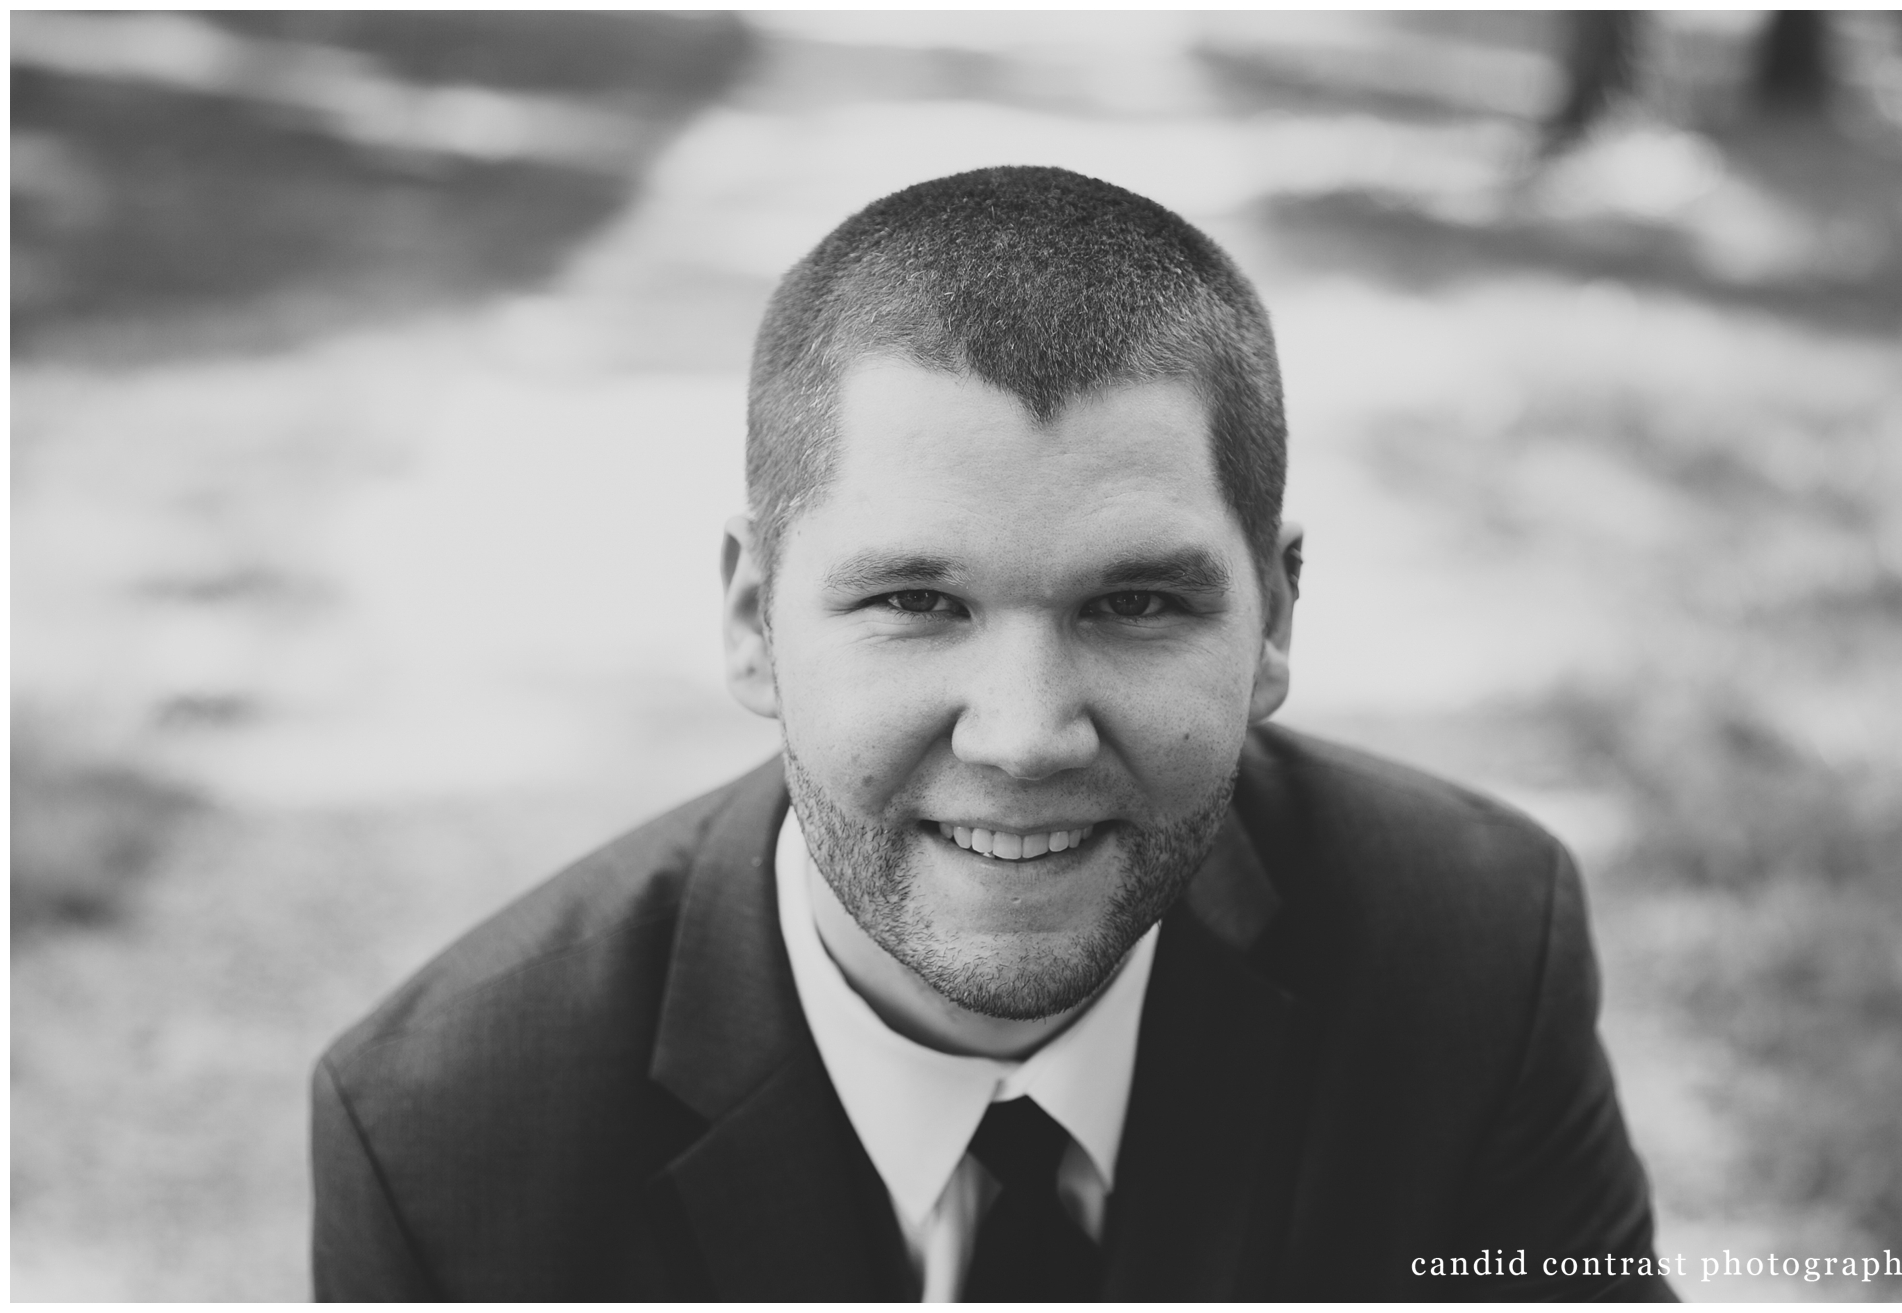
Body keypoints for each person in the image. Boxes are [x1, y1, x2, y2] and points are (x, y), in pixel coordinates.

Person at [311, 166, 1673, 1301]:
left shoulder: (1478, 949)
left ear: (1273, 619)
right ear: (751, 616)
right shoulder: (449, 1143)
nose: (1025, 737)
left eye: (1134, 602)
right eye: (916, 599)